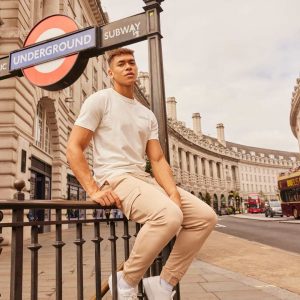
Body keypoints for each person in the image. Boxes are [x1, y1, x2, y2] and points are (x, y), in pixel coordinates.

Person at [66, 48, 217, 300]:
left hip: (142, 179)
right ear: (110, 71)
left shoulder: (146, 115)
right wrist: (92, 189)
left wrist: (172, 192)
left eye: (132, 63)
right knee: (168, 215)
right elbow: (74, 147)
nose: (128, 67)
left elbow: (157, 159)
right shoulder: (100, 100)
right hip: (116, 177)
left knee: (205, 217)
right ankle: (126, 281)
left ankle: (164, 284)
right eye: (122, 64)